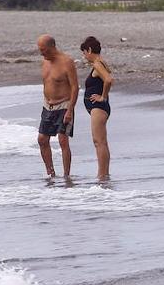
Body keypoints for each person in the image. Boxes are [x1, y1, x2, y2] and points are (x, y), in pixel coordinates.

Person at [36, 34, 79, 179]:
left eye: (44, 50)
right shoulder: (45, 61)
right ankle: (51, 173)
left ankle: (66, 175)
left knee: (63, 140)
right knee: (42, 139)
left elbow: (75, 87)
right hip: (48, 105)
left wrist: (70, 110)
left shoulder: (67, 62)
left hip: (64, 105)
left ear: (52, 47)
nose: (42, 53)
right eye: (40, 50)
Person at [80, 36, 114, 181]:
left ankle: (102, 174)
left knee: (98, 142)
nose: (83, 56)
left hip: (98, 107)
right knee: (101, 141)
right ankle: (104, 174)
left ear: (89, 50)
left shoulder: (97, 64)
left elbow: (109, 79)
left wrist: (103, 97)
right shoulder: (101, 62)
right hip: (98, 108)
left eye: (84, 52)